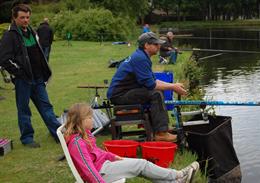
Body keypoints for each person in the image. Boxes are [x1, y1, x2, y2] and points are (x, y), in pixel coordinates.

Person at [65, 103, 200, 183]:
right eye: (89, 118)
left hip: (104, 166)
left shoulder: (85, 135)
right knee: (141, 164)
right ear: (80, 120)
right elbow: (88, 171)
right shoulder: (77, 143)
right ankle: (178, 175)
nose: (93, 120)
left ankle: (176, 181)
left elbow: (96, 152)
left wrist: (112, 157)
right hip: (101, 173)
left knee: (142, 167)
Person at [107, 32, 187, 142]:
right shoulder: (140, 58)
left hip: (126, 91)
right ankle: (161, 133)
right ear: (146, 45)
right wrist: (173, 87)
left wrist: (173, 85)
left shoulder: (142, 56)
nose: (159, 46)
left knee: (158, 91)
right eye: (155, 44)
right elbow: (152, 85)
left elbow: (153, 80)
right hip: (119, 95)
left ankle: (161, 127)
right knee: (156, 93)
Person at [0, 4, 60, 148]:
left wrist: (44, 72)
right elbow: (4, 59)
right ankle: (27, 138)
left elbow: (39, 54)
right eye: (22, 17)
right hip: (23, 80)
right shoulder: (10, 36)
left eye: (27, 17)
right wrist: (20, 73)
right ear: (14, 18)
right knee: (24, 109)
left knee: (46, 106)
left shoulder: (32, 32)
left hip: (38, 78)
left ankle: (58, 134)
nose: (26, 20)